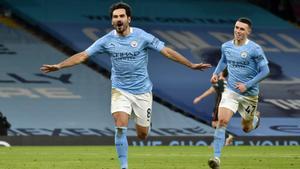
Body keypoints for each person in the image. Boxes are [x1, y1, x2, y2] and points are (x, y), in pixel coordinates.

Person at [40, 2, 211, 169]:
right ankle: (124, 166)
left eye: (122, 16)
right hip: (120, 90)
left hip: (142, 92)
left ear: (129, 19)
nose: (118, 19)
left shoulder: (142, 36)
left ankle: (144, 123)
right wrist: (60, 66)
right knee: (120, 123)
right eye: (115, 17)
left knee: (142, 135)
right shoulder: (106, 41)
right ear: (111, 21)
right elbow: (83, 55)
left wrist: (190, 64)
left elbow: (166, 51)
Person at [208, 17, 270, 169]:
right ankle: (216, 158)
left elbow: (265, 71)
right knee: (221, 122)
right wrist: (216, 73)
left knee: (246, 128)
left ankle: (255, 119)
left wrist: (247, 85)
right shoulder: (226, 46)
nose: (238, 31)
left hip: (249, 94)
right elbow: (223, 60)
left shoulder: (254, 49)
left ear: (248, 31)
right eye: (236, 27)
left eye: (242, 29)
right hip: (230, 92)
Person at [193, 69, 234, 146]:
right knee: (218, 124)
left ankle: (224, 138)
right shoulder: (228, 84)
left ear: (222, 73)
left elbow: (210, 91)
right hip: (227, 106)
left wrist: (199, 98)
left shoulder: (219, 83)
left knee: (215, 124)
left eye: (220, 72)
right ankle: (225, 138)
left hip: (219, 106)